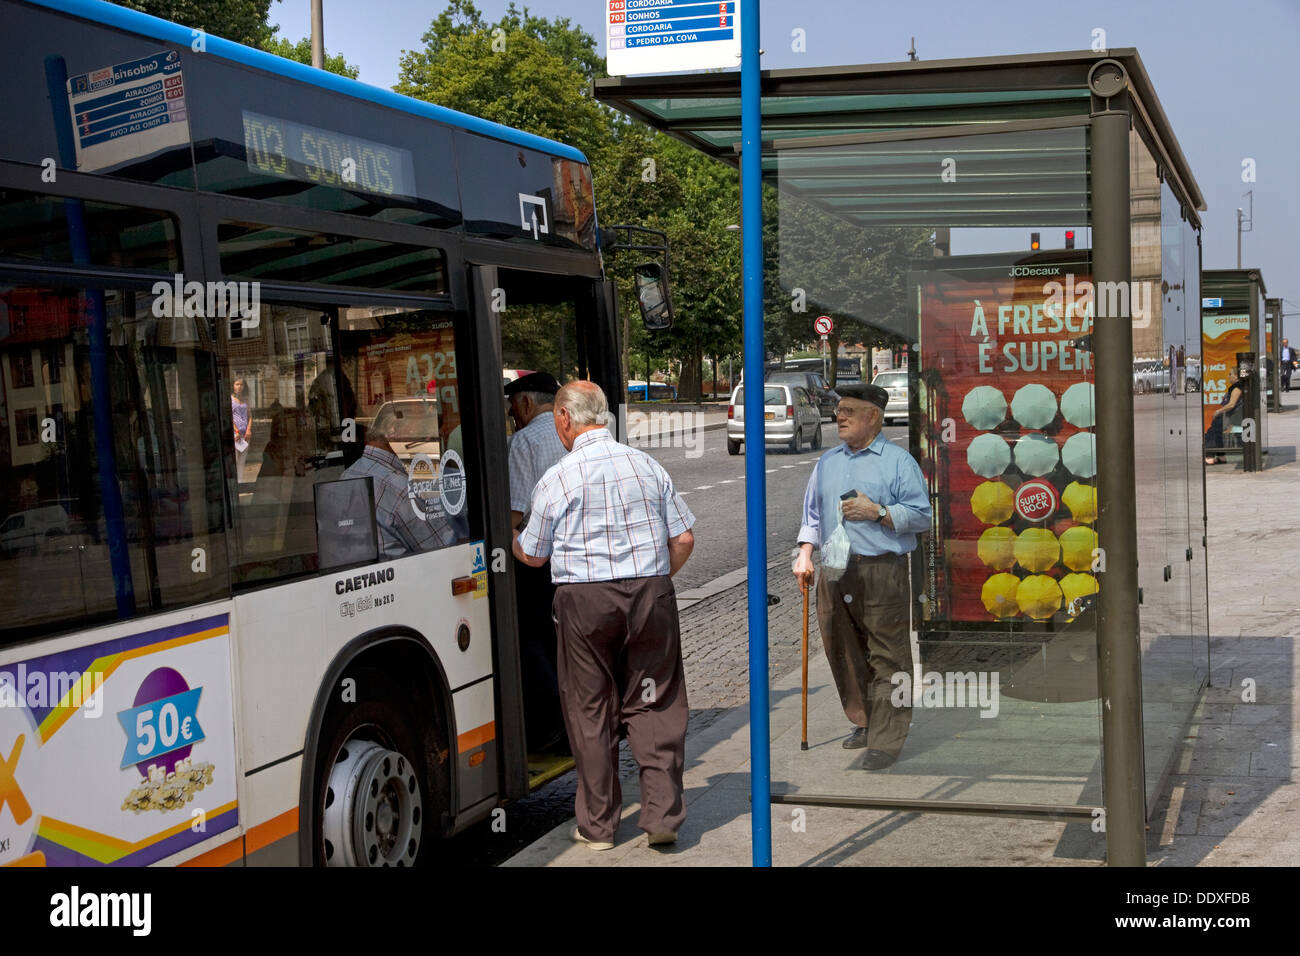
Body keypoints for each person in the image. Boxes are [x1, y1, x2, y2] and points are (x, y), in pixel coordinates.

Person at [512, 381, 695, 849]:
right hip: (649, 598)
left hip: (585, 606)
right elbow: (684, 540)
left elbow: (532, 555)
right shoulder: (646, 465)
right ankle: (661, 818)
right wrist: (651, 580)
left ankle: (598, 828)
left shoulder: (558, 476)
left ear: (563, 419)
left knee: (590, 708)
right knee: (653, 701)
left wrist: (509, 540)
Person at [792, 382, 931, 771]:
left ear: (872, 416)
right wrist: (805, 554)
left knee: (888, 655)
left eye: (849, 410)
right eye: (840, 410)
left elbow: (922, 516)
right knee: (844, 650)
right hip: (834, 569)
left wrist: (879, 512)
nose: (840, 416)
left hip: (880, 567)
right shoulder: (827, 463)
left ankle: (887, 740)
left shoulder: (898, 462)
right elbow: (812, 517)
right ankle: (866, 721)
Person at [504, 371, 569, 752]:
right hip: (573, 557)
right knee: (559, 637)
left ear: (526, 403)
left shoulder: (524, 442)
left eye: (514, 410)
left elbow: (514, 515)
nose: (513, 418)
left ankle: (553, 721)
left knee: (529, 639)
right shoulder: (570, 435)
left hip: (537, 558)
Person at [342, 423, 456, 557]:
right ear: (392, 432)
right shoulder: (400, 489)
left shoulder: (348, 475)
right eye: (419, 427)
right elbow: (446, 553)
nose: (428, 437)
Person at [1204, 364, 1252, 465]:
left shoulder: (1237, 388)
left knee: (1212, 431)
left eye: (1230, 374)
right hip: (1232, 415)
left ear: (1236, 376)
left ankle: (1209, 456)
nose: (1228, 376)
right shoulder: (1239, 386)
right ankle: (1221, 457)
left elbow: (1231, 404)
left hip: (1231, 416)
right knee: (1216, 430)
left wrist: (1218, 411)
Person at [231, 379, 251, 482]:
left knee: (242, 462)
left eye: (241, 384)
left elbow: (250, 416)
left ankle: (240, 482)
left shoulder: (246, 399)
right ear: (233, 386)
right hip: (236, 434)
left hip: (245, 435)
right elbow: (229, 416)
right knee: (235, 460)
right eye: (237, 384)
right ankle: (235, 484)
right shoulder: (230, 399)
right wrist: (237, 432)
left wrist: (249, 430)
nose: (239, 386)